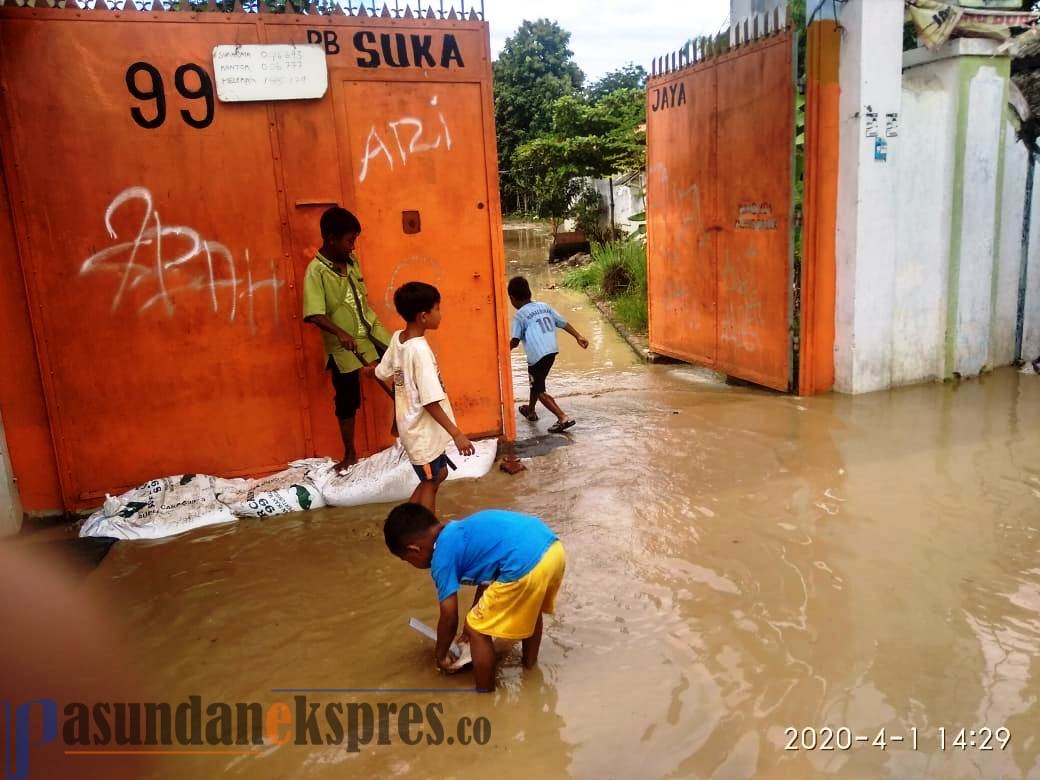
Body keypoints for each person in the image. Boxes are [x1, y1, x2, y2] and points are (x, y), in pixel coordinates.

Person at [383, 503, 566, 693]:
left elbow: (449, 616)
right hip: (551, 548)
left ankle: (484, 694)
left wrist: (441, 653)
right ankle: (530, 667)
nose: (411, 564)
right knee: (530, 609)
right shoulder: (458, 531)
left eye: (406, 560)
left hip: (524, 564)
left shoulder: (441, 560)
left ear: (414, 550)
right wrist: (468, 626)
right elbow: (486, 582)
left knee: (477, 630)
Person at [368, 281, 474, 511]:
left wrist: (371, 372)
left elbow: (381, 372)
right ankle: (425, 531)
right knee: (430, 482)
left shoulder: (399, 338)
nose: (440, 314)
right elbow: (430, 400)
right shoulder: (420, 351)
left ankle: (408, 517)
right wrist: (457, 434)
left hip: (417, 429)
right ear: (423, 316)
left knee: (440, 473)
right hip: (421, 434)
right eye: (438, 309)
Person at [302, 207, 392, 474]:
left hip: (373, 332)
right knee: (347, 399)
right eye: (348, 240)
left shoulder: (352, 263)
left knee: (400, 371)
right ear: (331, 239)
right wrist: (340, 333)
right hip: (344, 347)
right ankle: (350, 453)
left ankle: (410, 432)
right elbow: (314, 314)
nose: (352, 246)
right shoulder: (316, 272)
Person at [507, 276, 589, 433]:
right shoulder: (544, 306)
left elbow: (515, 340)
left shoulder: (519, 316)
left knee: (538, 389)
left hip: (536, 356)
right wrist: (578, 336)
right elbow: (563, 322)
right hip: (551, 351)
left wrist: (501, 352)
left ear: (512, 298)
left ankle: (562, 417)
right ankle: (530, 411)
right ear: (529, 292)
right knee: (536, 383)